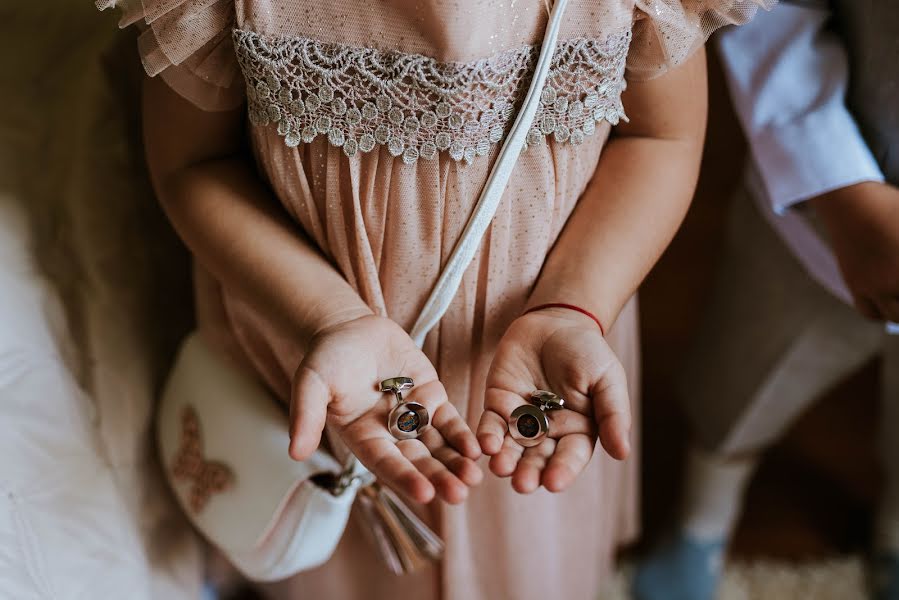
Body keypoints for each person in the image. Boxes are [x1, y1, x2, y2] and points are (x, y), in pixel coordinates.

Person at [98, 0, 769, 598]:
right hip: (309, 340)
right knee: (328, 544)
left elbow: (661, 137)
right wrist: (327, 318)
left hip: (539, 359)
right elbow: (193, 163)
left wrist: (573, 305)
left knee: (529, 547)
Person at [634, 2, 899, 599]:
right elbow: (774, 10)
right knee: (749, 369)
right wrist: (842, 191)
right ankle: (703, 519)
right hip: (824, 207)